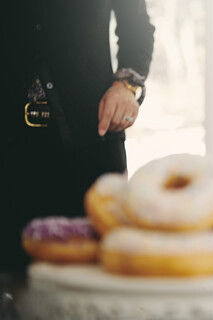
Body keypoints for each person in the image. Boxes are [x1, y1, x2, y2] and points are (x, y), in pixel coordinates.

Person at [0, 1, 155, 273]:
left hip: (92, 143)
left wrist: (126, 86)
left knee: (100, 281)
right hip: (10, 152)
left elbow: (138, 28)